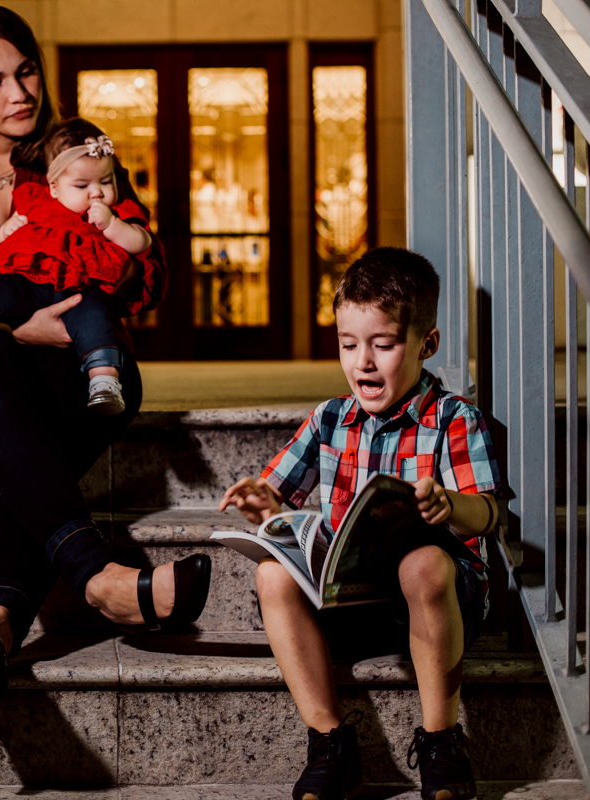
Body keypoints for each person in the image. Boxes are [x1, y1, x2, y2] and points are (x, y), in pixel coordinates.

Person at [0, 3, 211, 732]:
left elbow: (154, 278)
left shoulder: (81, 155)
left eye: (26, 72)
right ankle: (102, 580)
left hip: (87, 365)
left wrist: (108, 252)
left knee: (29, 443)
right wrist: (20, 322)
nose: (19, 93)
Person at [218, 247, 500, 800]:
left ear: (427, 344)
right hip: (351, 599)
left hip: (438, 600)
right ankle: (331, 742)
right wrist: (262, 502)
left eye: (384, 345)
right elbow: (277, 489)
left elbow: (488, 513)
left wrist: (449, 505)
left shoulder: (453, 419)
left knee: (421, 562)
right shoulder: (330, 418)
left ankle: (442, 741)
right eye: (349, 345)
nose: (363, 362)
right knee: (272, 575)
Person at [0, 117, 152, 415]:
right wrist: (5, 231)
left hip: (82, 290)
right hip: (31, 282)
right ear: (54, 187)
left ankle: (104, 382)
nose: (96, 193)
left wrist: (112, 225)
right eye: (81, 185)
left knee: (96, 320)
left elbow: (141, 242)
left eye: (106, 182)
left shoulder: (117, 211)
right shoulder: (35, 202)